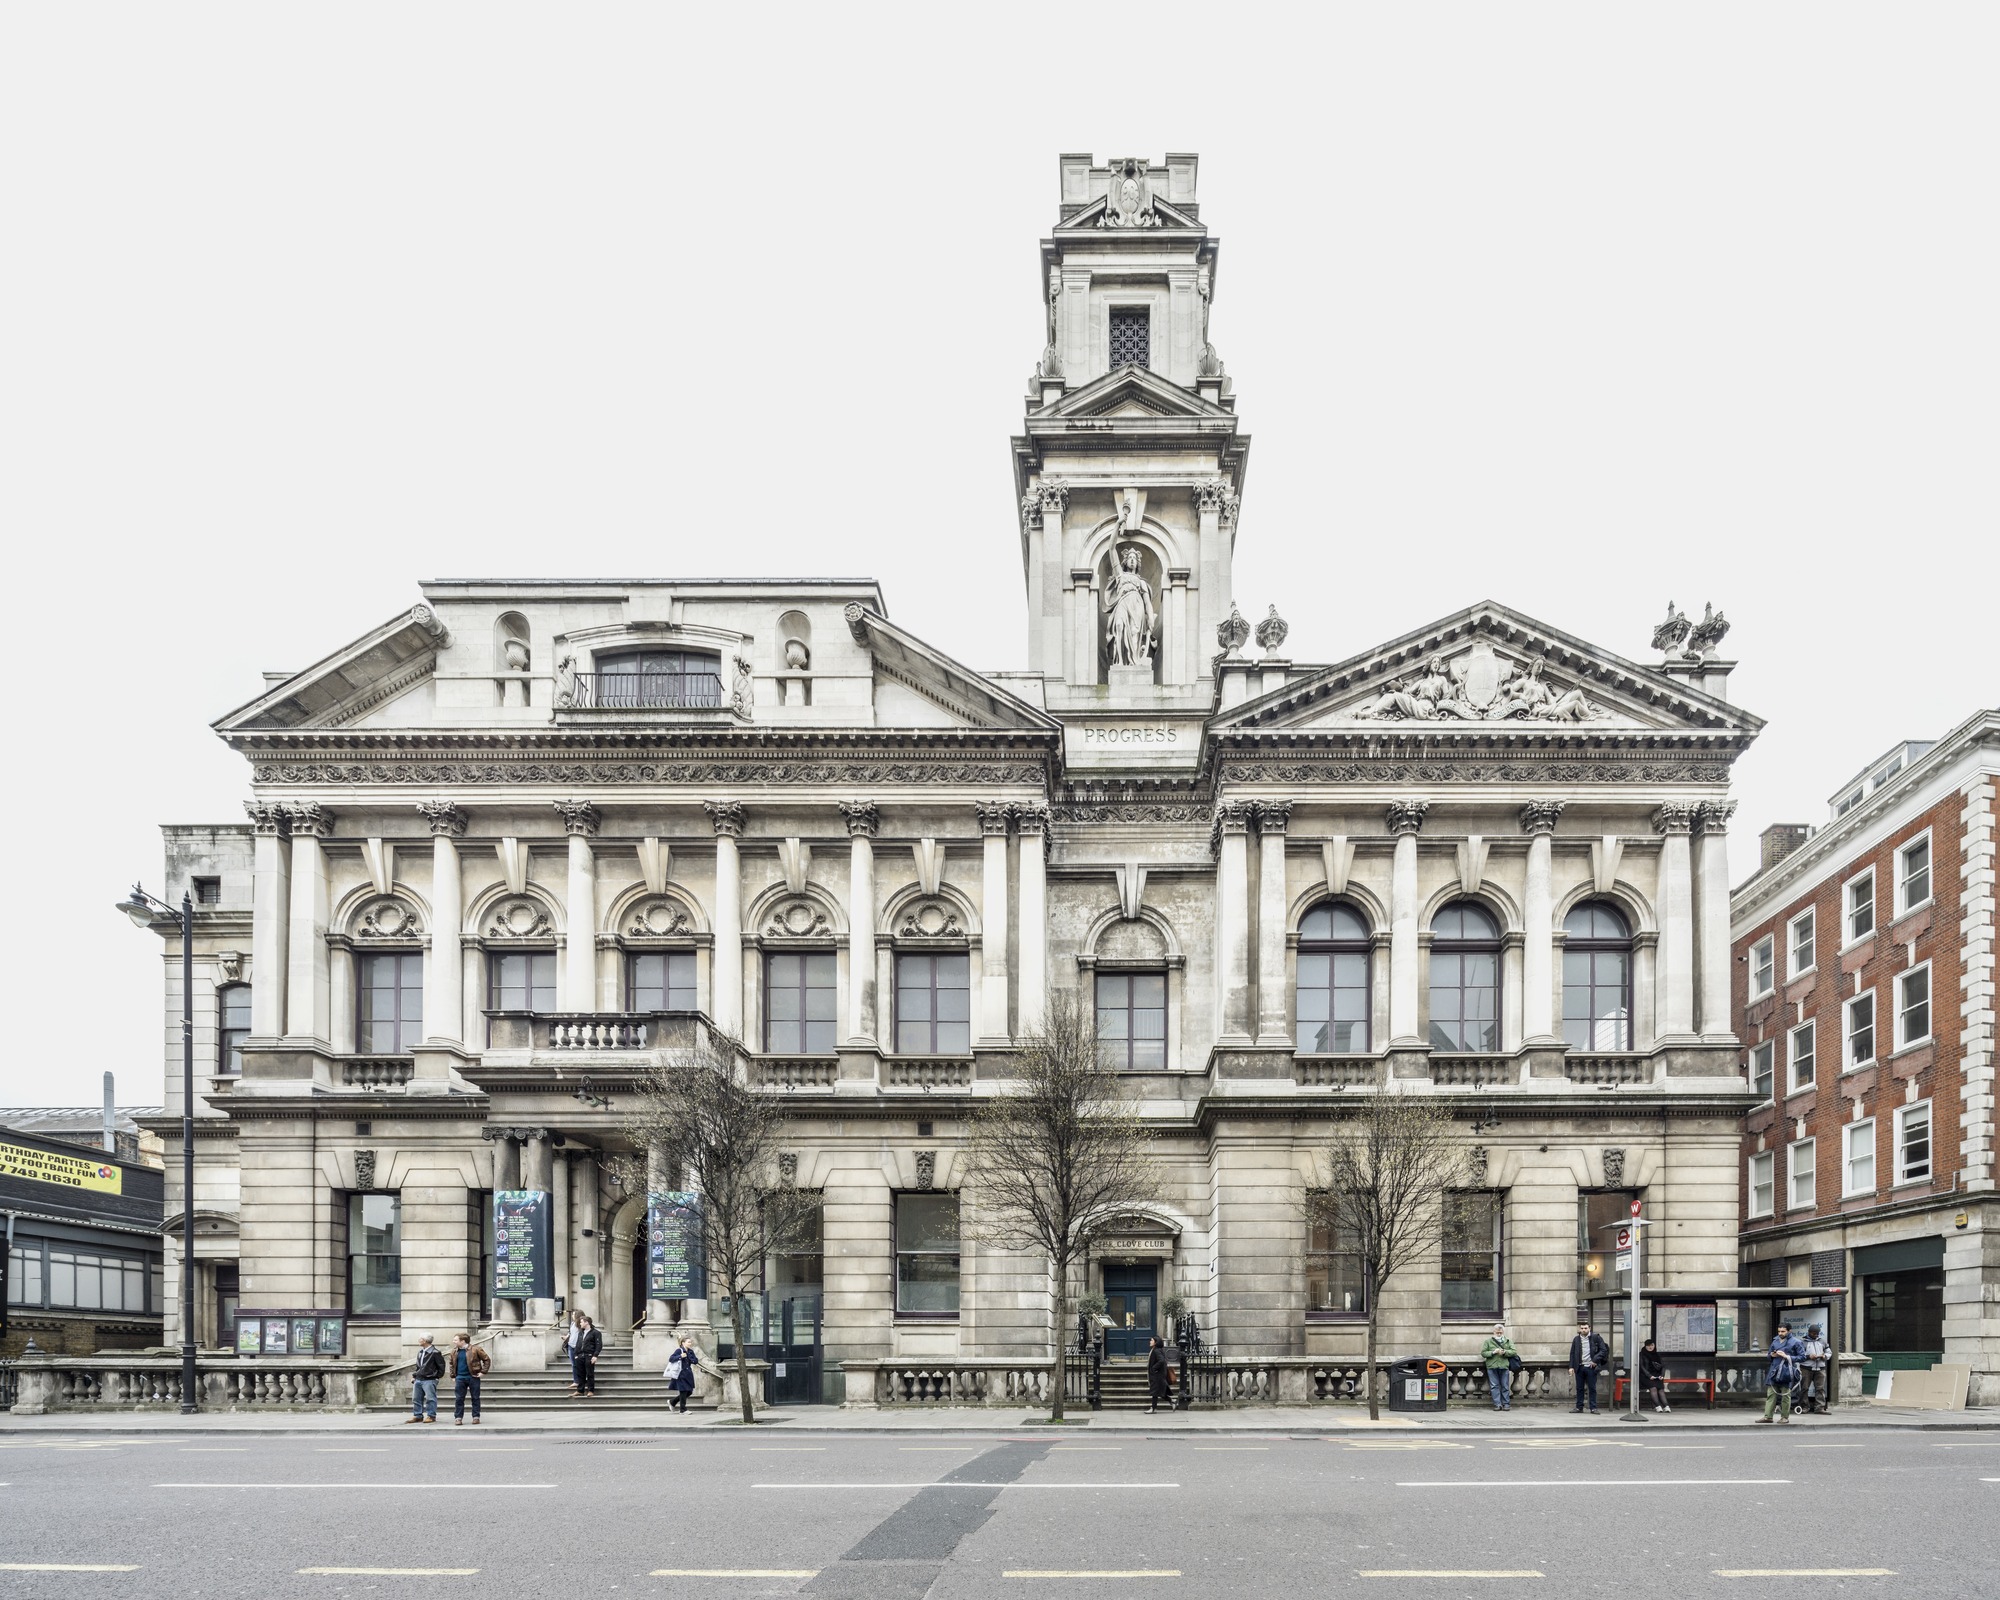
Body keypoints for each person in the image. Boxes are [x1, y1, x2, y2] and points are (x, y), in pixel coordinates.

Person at [1758, 1322, 1806, 1424]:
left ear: (1789, 1331)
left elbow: (1802, 1357)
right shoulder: (1775, 1341)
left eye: (1783, 1331)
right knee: (1771, 1394)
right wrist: (1772, 1355)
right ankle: (1768, 1416)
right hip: (1774, 1370)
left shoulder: (1796, 1342)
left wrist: (1787, 1356)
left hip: (1787, 1371)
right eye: (1779, 1331)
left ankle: (1784, 1417)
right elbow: (1768, 1355)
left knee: (1785, 1395)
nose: (1780, 1333)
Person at [1568, 1321, 1609, 1413]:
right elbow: (1572, 1354)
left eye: (1585, 1328)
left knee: (1592, 1388)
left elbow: (1603, 1350)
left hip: (1591, 1367)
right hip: (1579, 1366)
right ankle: (1579, 1407)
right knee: (1579, 1388)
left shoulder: (1596, 1337)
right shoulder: (1576, 1339)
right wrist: (1571, 1367)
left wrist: (1595, 1360)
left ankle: (1593, 1408)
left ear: (1589, 1328)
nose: (1583, 1330)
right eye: (1582, 1328)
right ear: (1579, 1329)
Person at [450, 1332, 490, 1426]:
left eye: (455, 1340)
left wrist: (483, 1372)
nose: (453, 1341)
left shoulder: (476, 1349)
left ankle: (476, 1417)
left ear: (462, 1341)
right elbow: (451, 1364)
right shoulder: (454, 1351)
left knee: (475, 1398)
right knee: (459, 1399)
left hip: (473, 1377)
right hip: (460, 1378)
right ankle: (458, 1418)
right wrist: (453, 1376)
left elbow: (486, 1359)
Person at [1480, 1322, 1519, 1411]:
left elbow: (1514, 1351)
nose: (1499, 1334)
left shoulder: (1508, 1341)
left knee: (1505, 1385)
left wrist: (1505, 1352)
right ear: (1494, 1332)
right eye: (1497, 1332)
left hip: (1504, 1366)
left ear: (1503, 1332)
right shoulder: (1488, 1342)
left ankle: (1506, 1404)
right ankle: (1497, 1404)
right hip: (1492, 1366)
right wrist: (1493, 1352)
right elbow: (1483, 1353)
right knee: (1494, 1386)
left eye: (1500, 1333)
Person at [407, 1334, 445, 1424]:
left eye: (420, 1338)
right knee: (416, 1398)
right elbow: (418, 1366)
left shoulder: (435, 1352)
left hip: (430, 1379)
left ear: (425, 1340)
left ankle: (431, 1415)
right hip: (419, 1379)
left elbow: (441, 1367)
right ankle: (417, 1415)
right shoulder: (420, 1352)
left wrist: (435, 1377)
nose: (418, 1340)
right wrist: (415, 1376)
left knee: (430, 1398)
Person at [1799, 1324, 1832, 1415]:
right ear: (1809, 1332)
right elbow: (1799, 1356)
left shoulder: (1822, 1341)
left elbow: (1829, 1352)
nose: (1816, 1335)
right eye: (1814, 1333)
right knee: (1804, 1388)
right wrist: (1808, 1356)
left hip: (1820, 1368)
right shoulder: (1802, 1342)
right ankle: (1804, 1407)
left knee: (1820, 1388)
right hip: (1806, 1368)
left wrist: (1824, 1356)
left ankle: (1819, 1407)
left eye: (1817, 1333)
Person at [664, 1335, 700, 1413]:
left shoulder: (690, 1351)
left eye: (690, 1342)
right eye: (688, 1342)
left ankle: (672, 1402)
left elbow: (696, 1360)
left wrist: (691, 1359)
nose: (690, 1343)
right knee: (683, 1391)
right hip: (680, 1374)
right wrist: (680, 1356)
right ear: (683, 1343)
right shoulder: (679, 1350)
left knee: (689, 1391)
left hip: (688, 1374)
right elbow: (671, 1359)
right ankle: (683, 1409)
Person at [573, 1314, 602, 1397]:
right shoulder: (581, 1332)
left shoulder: (596, 1333)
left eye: (581, 1322)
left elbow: (598, 1345)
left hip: (589, 1355)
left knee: (590, 1374)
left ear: (587, 1323)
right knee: (580, 1374)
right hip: (580, 1355)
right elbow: (578, 1343)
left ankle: (590, 1390)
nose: (580, 1324)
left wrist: (595, 1355)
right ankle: (580, 1390)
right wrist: (576, 1354)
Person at [1638, 1338, 1670, 1413]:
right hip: (1645, 1376)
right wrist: (1649, 1376)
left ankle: (1666, 1406)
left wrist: (1662, 1375)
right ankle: (1658, 1406)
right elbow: (1641, 1366)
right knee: (1653, 1388)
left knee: (1661, 1389)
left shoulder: (1657, 1354)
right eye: (1648, 1345)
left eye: (1652, 1345)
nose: (1650, 1347)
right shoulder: (1642, 1354)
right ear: (1645, 1346)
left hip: (1657, 1375)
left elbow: (1663, 1366)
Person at [1146, 1336, 1173, 1414]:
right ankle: (1172, 1401)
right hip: (1157, 1374)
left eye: (1151, 1340)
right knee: (1158, 1391)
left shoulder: (1156, 1351)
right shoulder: (1156, 1350)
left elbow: (1161, 1361)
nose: (1150, 1341)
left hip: (1157, 1375)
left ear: (1156, 1342)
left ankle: (1153, 1408)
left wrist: (1154, 1368)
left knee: (1155, 1392)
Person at [564, 1312, 584, 1394]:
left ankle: (580, 1381)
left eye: (573, 1314)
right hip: (570, 1345)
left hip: (578, 1346)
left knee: (578, 1364)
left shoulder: (581, 1324)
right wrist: (565, 1338)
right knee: (573, 1364)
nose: (572, 1315)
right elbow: (571, 1333)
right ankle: (576, 1381)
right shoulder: (572, 1323)